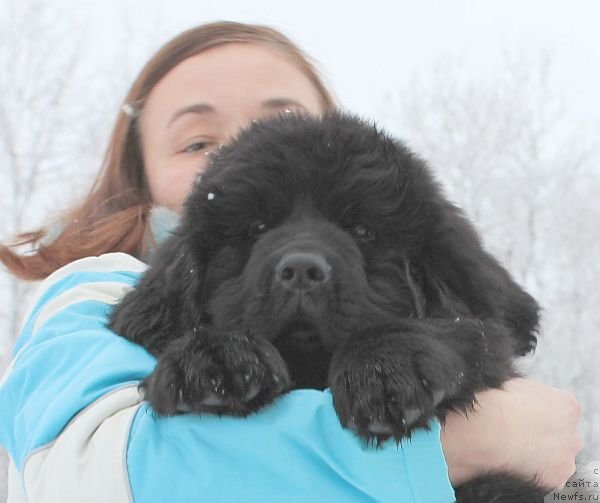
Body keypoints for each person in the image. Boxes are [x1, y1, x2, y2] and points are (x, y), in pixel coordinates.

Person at [0, 21, 582, 502]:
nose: (300, 261)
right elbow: (79, 480)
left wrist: (447, 354)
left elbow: (491, 327)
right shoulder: (89, 291)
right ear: (139, 177)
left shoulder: (424, 258)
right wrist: (462, 444)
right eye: (199, 142)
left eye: (356, 229)